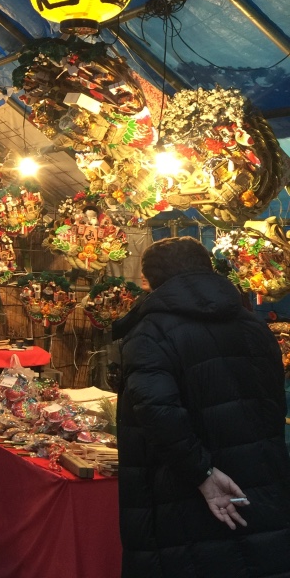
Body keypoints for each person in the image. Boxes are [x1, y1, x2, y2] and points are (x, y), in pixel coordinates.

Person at [117, 236, 290, 576]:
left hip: (184, 493)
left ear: (151, 281)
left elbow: (156, 410)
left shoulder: (150, 331)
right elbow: (272, 402)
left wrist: (203, 473)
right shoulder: (254, 326)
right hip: (259, 481)